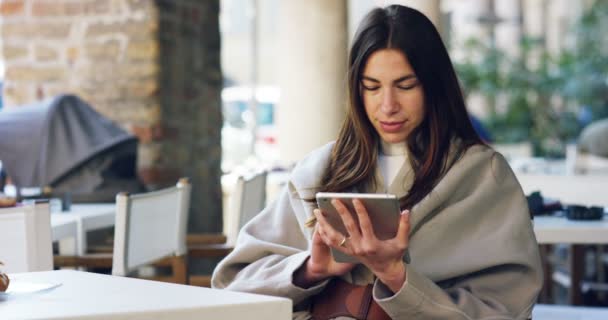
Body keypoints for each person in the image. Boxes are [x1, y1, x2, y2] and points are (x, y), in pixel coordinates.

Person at [212, 5, 542, 320]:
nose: (387, 106)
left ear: (434, 85)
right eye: (371, 87)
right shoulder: (319, 170)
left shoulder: (482, 175)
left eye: (405, 85)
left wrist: (396, 277)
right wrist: (311, 268)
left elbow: (508, 308)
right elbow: (233, 283)